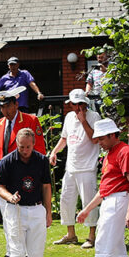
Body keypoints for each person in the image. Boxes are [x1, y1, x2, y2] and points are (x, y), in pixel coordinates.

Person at [73, 119, 129, 257]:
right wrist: (87, 210)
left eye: (102, 138)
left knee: (102, 243)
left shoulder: (125, 152)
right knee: (117, 247)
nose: (99, 142)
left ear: (112, 135)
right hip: (111, 200)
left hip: (118, 200)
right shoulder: (111, 153)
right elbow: (104, 189)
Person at [0, 87, 47, 257]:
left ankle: (26, 254)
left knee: (24, 219)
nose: (5, 110)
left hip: (24, 180)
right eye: (2, 107)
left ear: (16, 104)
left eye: (8, 106)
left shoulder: (30, 120)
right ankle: (11, 252)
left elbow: (39, 151)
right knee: (8, 219)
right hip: (3, 180)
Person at [0, 128, 52, 257]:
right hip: (16, 209)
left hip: (36, 208)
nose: (25, 150)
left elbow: (46, 187)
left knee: (37, 250)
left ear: (33, 144)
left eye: (28, 147)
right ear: (16, 145)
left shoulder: (41, 160)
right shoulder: (7, 161)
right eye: (21, 147)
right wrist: (10, 197)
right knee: (16, 249)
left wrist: (48, 212)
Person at [48, 89, 100, 248]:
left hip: (87, 167)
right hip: (71, 166)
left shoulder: (94, 117)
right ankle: (71, 234)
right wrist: (54, 151)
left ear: (84, 103)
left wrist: (83, 121)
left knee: (88, 202)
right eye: (73, 104)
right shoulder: (69, 117)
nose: (76, 107)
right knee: (66, 200)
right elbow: (64, 138)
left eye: (78, 104)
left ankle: (91, 236)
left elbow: (95, 139)